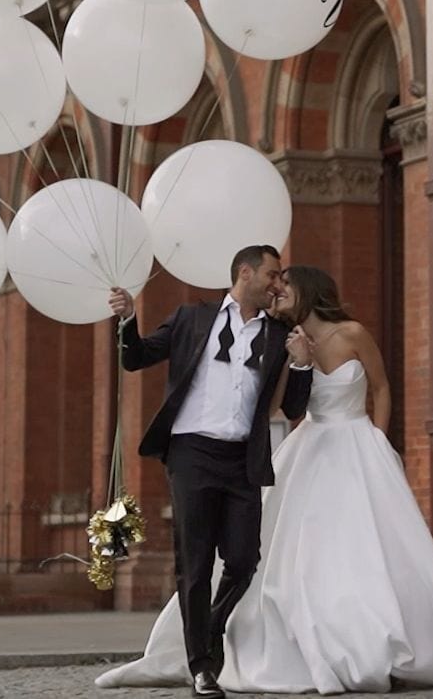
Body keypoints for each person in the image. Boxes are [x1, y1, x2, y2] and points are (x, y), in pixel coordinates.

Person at [97, 265, 433, 696]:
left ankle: (390, 632)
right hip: (311, 445)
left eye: (285, 285)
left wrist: (378, 436)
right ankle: (222, 639)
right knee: (291, 545)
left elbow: (382, 387)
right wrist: (298, 361)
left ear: (309, 291)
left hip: (358, 443)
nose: (277, 290)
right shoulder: (283, 342)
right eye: (273, 282)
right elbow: (286, 406)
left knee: (372, 544)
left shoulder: (353, 332)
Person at [107, 245, 315, 699]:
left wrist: (301, 362)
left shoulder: (279, 334)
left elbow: (294, 408)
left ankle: (211, 625)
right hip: (191, 454)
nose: (278, 283)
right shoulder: (191, 318)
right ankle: (203, 666)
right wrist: (125, 318)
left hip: (242, 458)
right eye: (272, 274)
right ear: (245, 272)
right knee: (195, 563)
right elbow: (136, 357)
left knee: (243, 559)